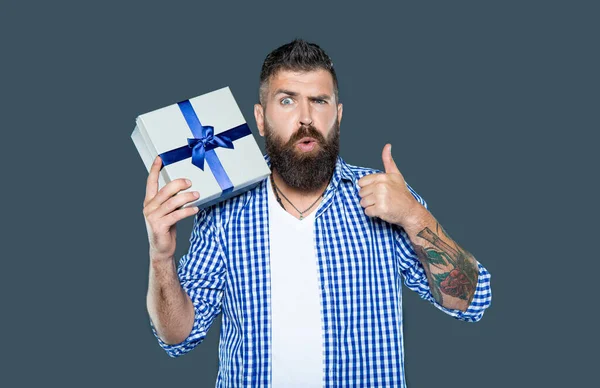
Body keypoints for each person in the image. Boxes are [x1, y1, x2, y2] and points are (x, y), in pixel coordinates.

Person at [143, 39, 492, 387]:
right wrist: (161, 258)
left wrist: (415, 216)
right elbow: (178, 337)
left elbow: (470, 301)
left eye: (319, 101)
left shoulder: (387, 199)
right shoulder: (223, 211)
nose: (306, 118)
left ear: (338, 116)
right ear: (260, 120)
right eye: (287, 101)